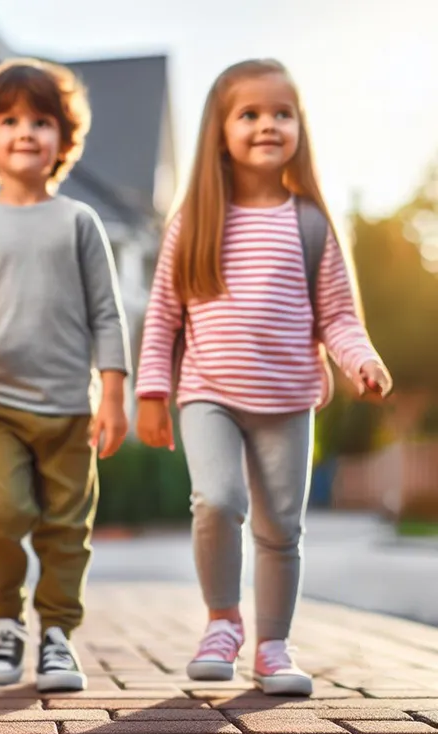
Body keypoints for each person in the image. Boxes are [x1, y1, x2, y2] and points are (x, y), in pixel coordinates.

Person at [134, 59, 392, 696]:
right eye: (249, 114)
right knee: (217, 501)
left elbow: (337, 316)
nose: (267, 124)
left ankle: (274, 645)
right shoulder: (193, 220)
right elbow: (163, 314)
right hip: (208, 393)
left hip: (289, 399)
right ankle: (223, 622)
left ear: (300, 126)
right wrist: (151, 392)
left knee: (282, 527)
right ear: (220, 131)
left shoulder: (310, 223)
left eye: (282, 113)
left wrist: (362, 359)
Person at [0, 58, 131, 692]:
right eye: (9, 120)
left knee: (67, 527)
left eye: (41, 121)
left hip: (72, 405)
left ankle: (57, 636)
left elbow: (108, 312)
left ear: (62, 141)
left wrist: (115, 395)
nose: (25, 132)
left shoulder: (79, 222)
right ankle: (4, 622)